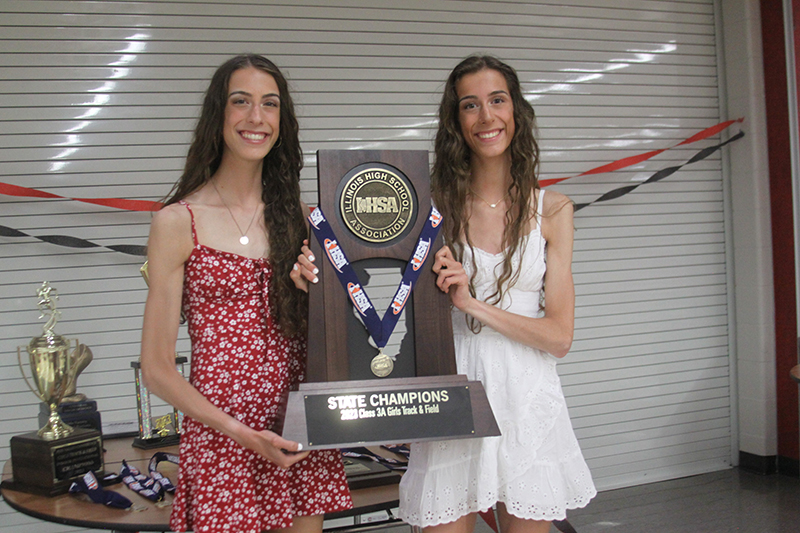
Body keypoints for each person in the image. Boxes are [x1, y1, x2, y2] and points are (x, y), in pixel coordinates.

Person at [293, 54, 596, 533]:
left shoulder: (554, 210)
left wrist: (472, 304)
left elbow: (559, 337)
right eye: (470, 105)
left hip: (527, 399)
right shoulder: (430, 205)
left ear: (516, 110)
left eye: (498, 101)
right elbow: (361, 267)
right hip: (449, 393)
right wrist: (316, 266)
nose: (486, 116)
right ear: (456, 122)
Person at [140, 54, 352, 533]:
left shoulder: (304, 219)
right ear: (219, 115)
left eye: (269, 104)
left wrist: (311, 297)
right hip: (222, 437)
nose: (256, 117)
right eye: (241, 102)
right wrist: (241, 434)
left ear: (282, 122)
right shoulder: (177, 221)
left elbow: (339, 339)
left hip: (295, 429)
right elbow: (156, 368)